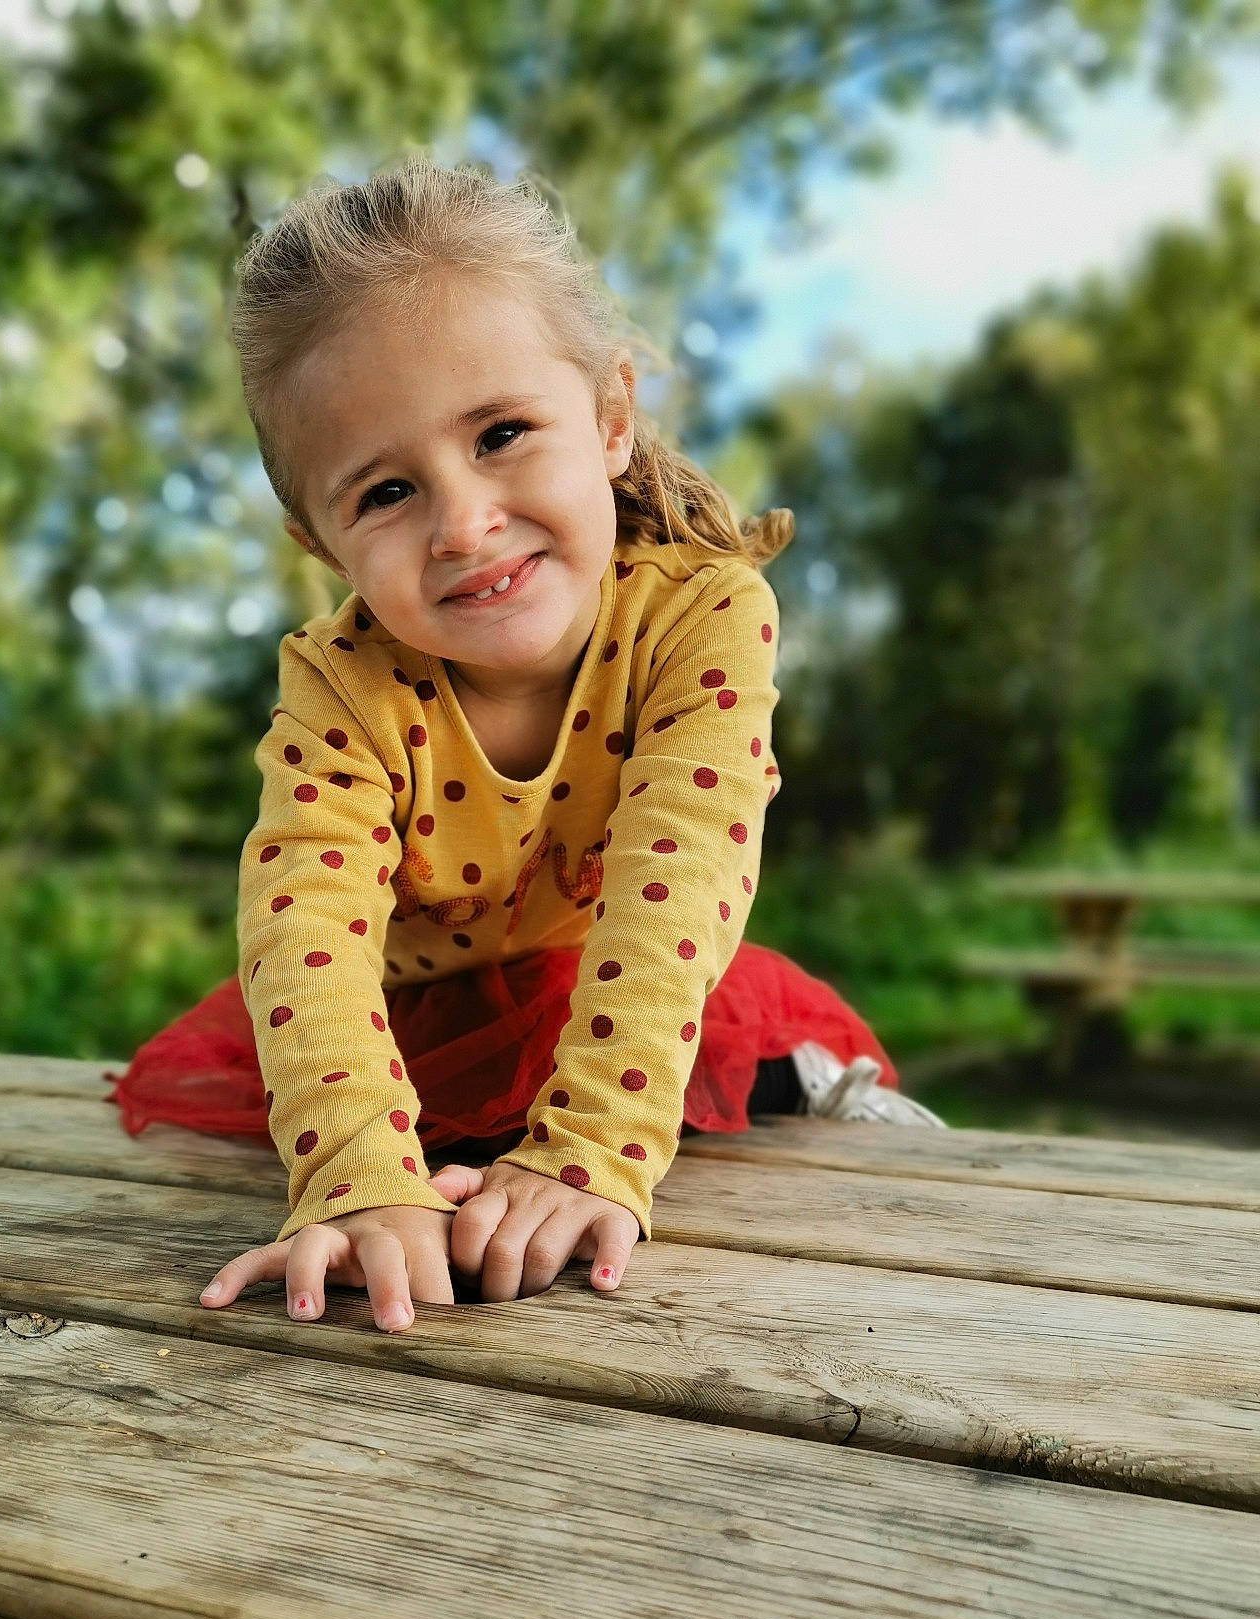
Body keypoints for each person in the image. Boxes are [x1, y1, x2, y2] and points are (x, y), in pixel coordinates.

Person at [109, 154, 937, 1336]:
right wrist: (353, 1174)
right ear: (317, 538)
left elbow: (677, 885)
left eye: (502, 432)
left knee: (758, 1062)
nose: (464, 522)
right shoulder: (341, 687)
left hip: (614, 987)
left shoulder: (701, 613)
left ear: (609, 416)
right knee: (411, 1161)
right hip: (402, 1028)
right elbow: (305, 927)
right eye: (385, 493)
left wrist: (593, 1147)